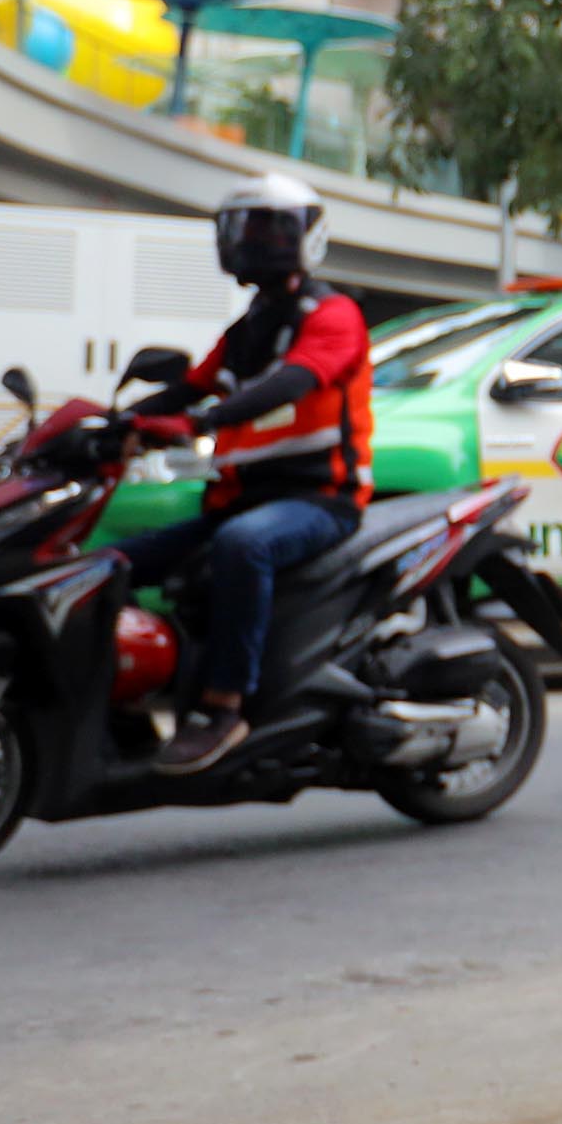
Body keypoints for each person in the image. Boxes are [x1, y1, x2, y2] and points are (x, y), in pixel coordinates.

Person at [110, 173, 374, 775]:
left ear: (305, 235)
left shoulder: (334, 315)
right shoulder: (244, 330)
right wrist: (110, 424)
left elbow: (292, 383)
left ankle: (223, 707)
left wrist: (204, 418)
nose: (253, 241)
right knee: (112, 566)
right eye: (243, 228)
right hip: (238, 499)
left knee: (243, 546)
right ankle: (121, 708)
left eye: (269, 227)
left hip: (319, 500)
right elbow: (186, 388)